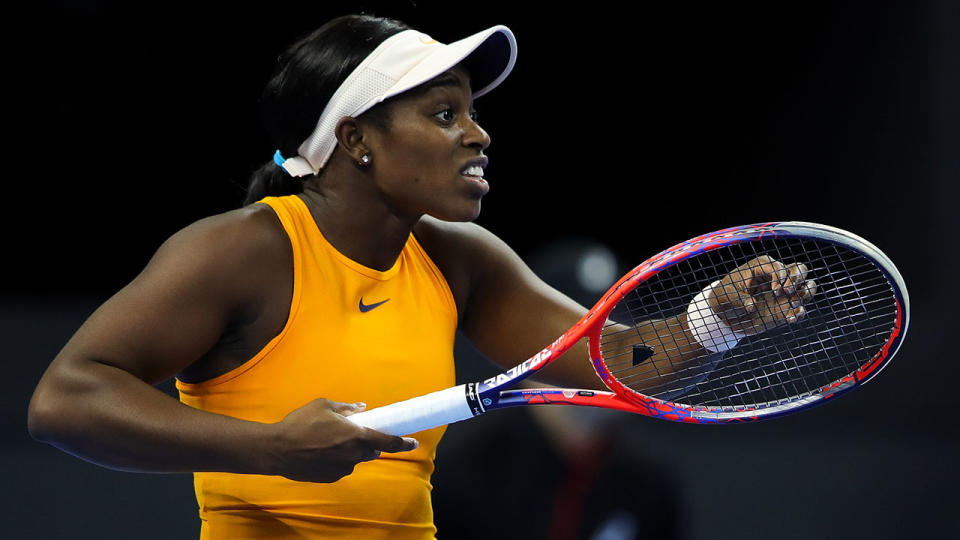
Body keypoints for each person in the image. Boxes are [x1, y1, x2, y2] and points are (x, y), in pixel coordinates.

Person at [27, 14, 816, 539]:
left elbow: (620, 362)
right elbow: (66, 400)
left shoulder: (457, 258)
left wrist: (720, 315)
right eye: (444, 114)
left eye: (471, 113)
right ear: (357, 139)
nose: (479, 134)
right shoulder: (242, 251)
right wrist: (270, 449)